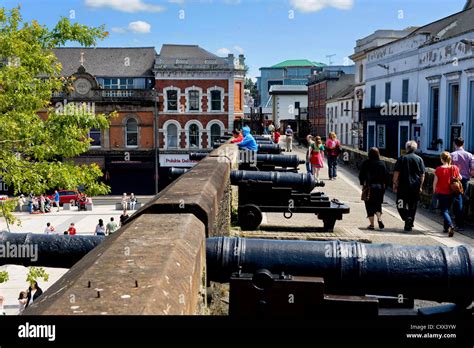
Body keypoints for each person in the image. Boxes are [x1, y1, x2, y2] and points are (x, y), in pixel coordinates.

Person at [393, 140, 426, 232]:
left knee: (400, 204)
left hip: (403, 186)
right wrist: (420, 186)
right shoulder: (419, 159)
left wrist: (395, 183)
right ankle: (409, 222)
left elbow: (396, 172)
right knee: (413, 206)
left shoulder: (402, 158)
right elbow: (422, 174)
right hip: (415, 187)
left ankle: (407, 218)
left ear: (407, 148)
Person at [359, 147, 388, 230]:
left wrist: (362, 183)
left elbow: (361, 175)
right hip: (379, 187)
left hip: (369, 187)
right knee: (378, 204)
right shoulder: (382, 164)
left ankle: (372, 225)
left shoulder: (366, 163)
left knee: (369, 205)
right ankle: (379, 218)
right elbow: (386, 176)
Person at [434, 152, 461, 237]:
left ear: (442, 159)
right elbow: (460, 178)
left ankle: (450, 225)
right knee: (447, 210)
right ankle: (446, 229)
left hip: (442, 193)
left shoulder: (438, 169)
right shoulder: (455, 168)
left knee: (444, 211)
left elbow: (435, 183)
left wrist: (434, 191)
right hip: (452, 193)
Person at [450, 137, 473, 231]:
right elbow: (472, 171)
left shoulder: (451, 155)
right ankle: (460, 222)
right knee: (461, 200)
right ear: (463, 144)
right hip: (465, 180)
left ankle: (458, 223)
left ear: (455, 144)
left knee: (456, 200)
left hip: (454, 180)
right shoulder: (469, 155)